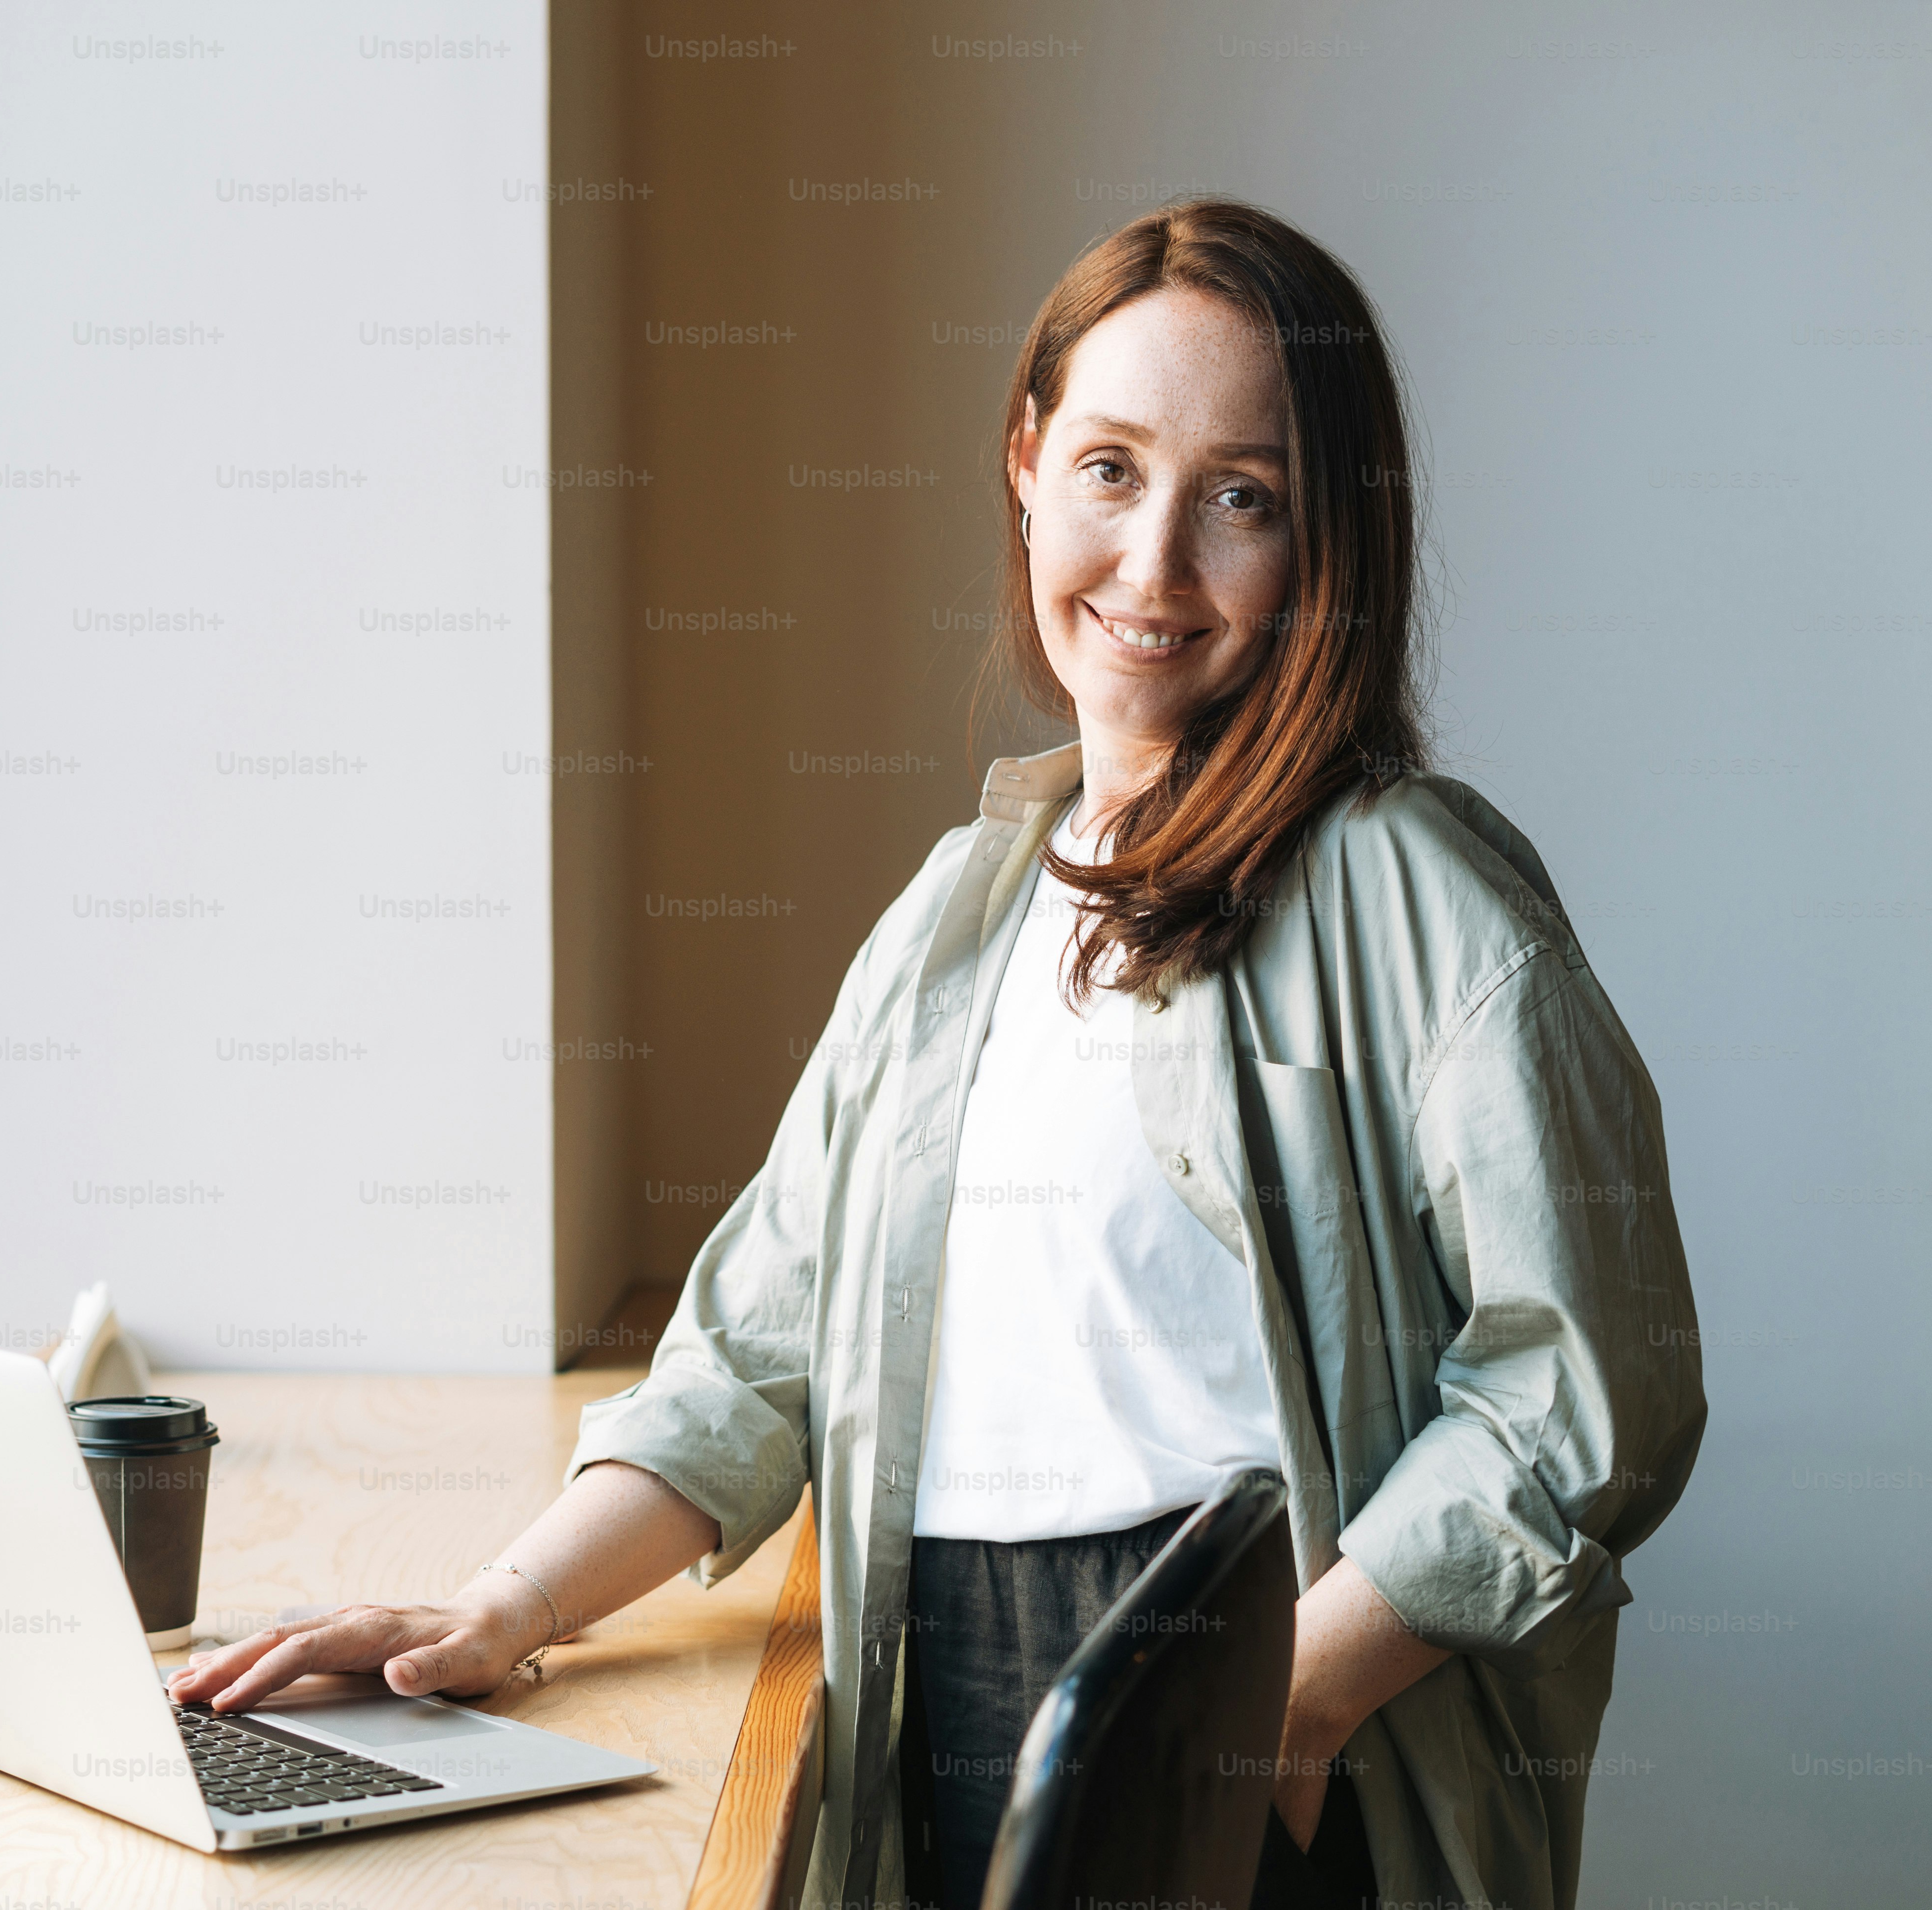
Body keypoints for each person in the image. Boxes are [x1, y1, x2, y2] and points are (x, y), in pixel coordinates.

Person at [172, 198, 1707, 1910]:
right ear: (1026, 465)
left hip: (1259, 1706)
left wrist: (1288, 1699)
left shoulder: (1418, 891)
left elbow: (1591, 1389)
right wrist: (500, 1607)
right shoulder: (955, 916)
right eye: (1112, 469)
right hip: (945, 1664)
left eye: (1242, 498)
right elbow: (751, 1355)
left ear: (1327, 538)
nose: (1153, 564)